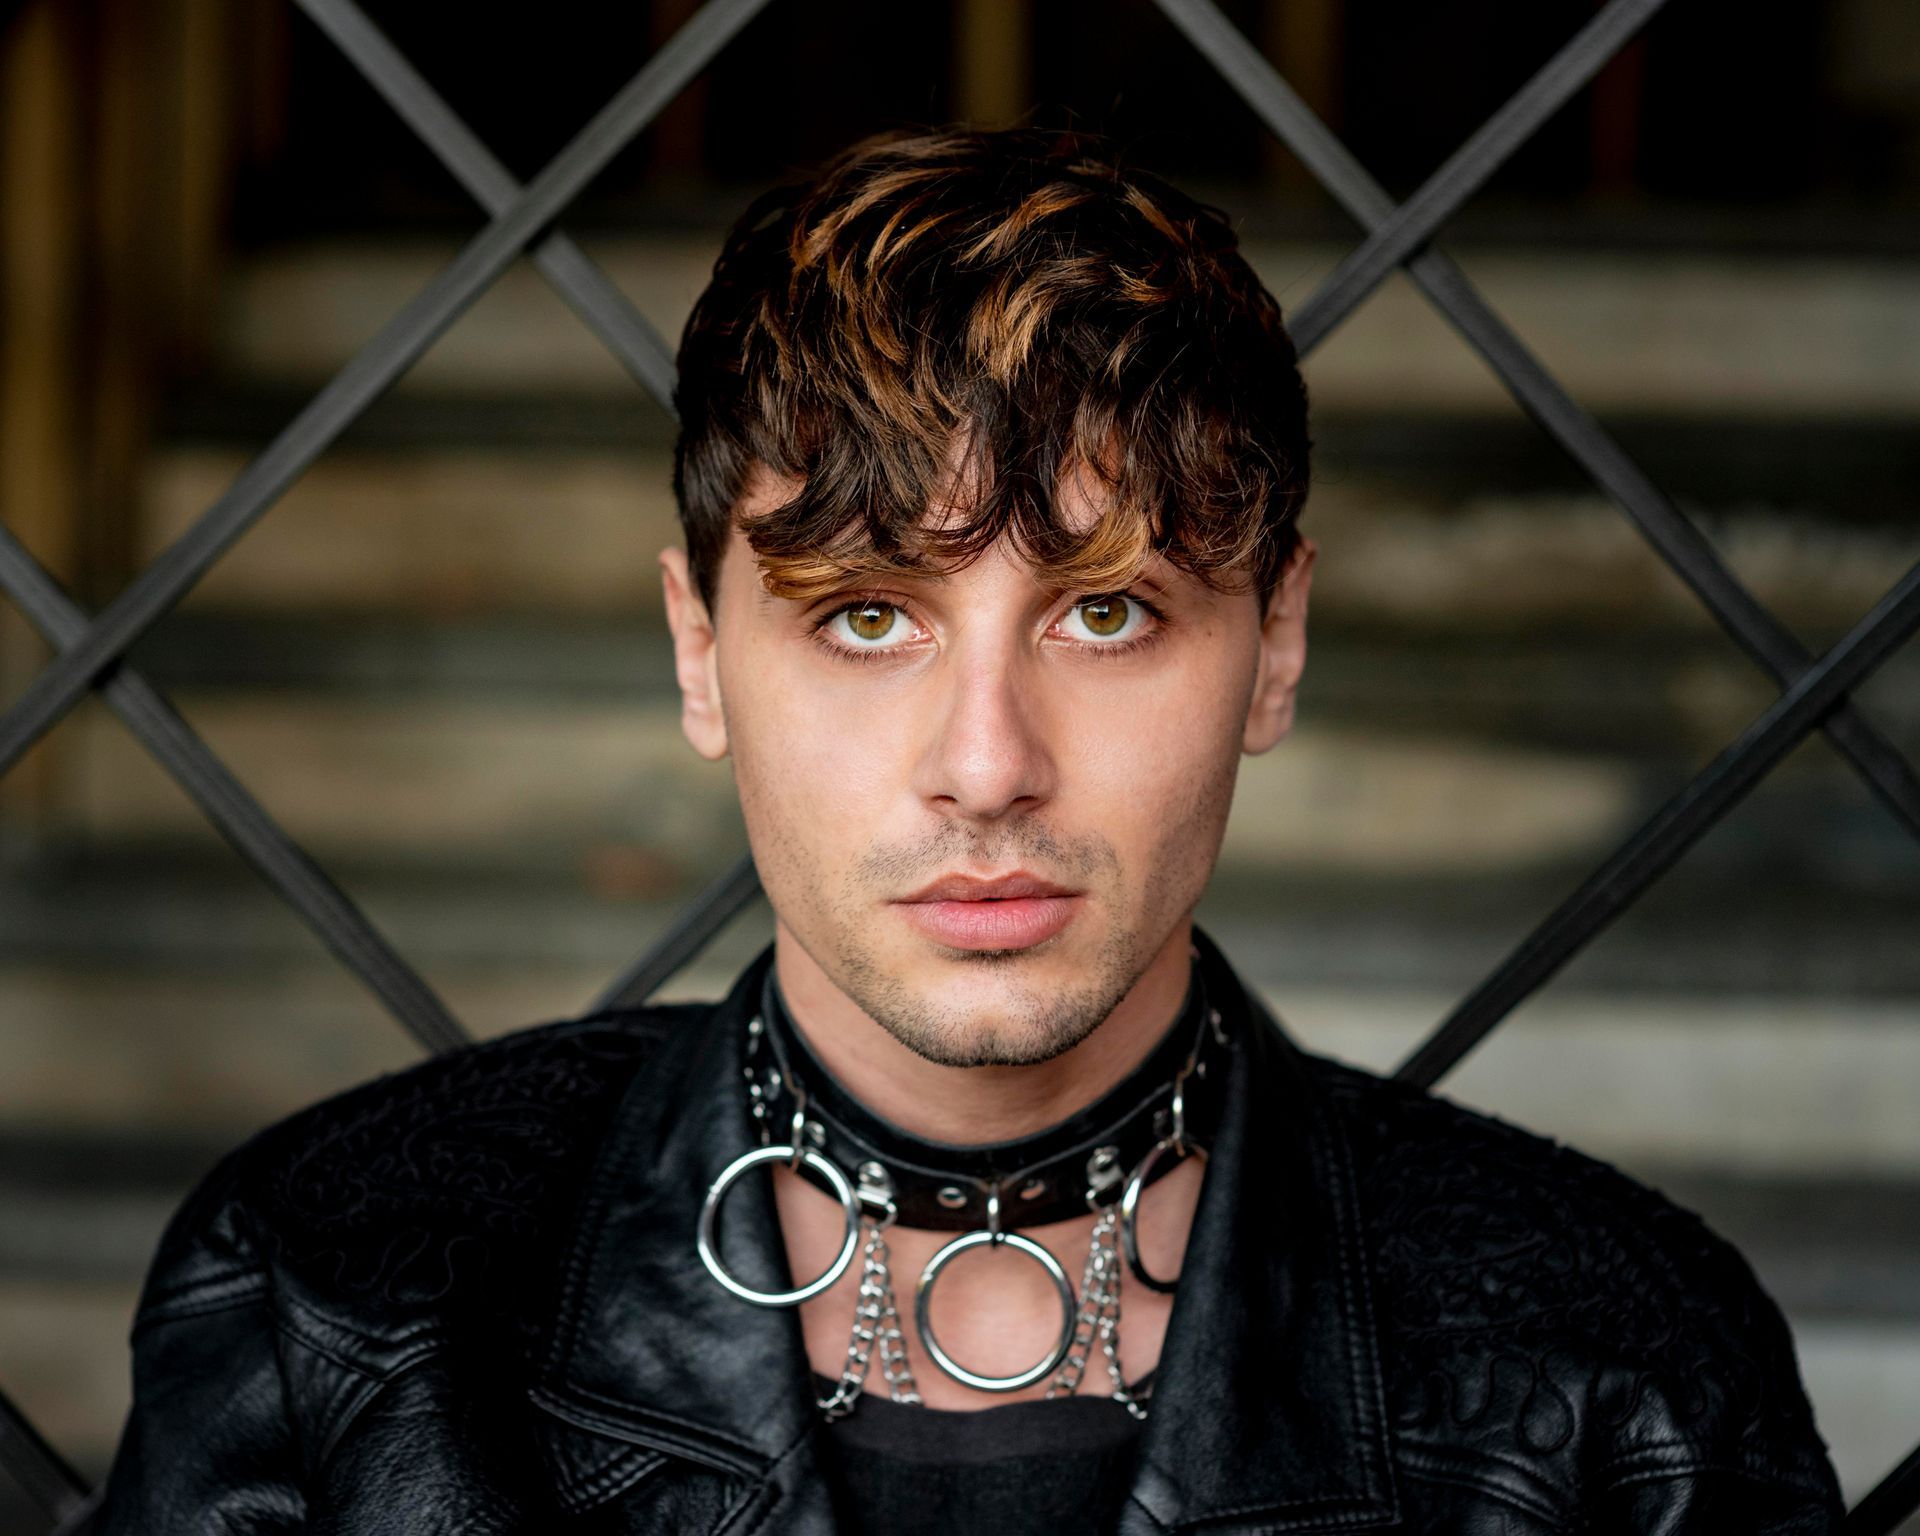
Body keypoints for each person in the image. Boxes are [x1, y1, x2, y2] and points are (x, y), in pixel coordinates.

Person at [95, 125, 1844, 1535]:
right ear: (702, 657)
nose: (989, 766)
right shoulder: (333, 1297)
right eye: (867, 616)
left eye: (1106, 616)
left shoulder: (1619, 1377)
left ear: (1275, 647)